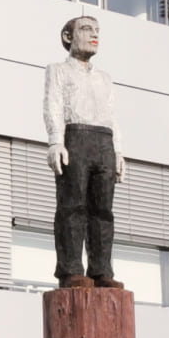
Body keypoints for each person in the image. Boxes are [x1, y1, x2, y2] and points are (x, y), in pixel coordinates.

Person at [43, 16, 125, 288]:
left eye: (97, 30)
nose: (94, 35)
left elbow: (113, 115)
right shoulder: (58, 70)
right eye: (86, 29)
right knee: (72, 206)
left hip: (104, 140)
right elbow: (53, 104)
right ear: (68, 36)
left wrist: (118, 151)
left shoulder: (105, 78)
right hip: (75, 136)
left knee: (103, 210)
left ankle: (102, 270)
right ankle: (70, 268)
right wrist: (56, 140)